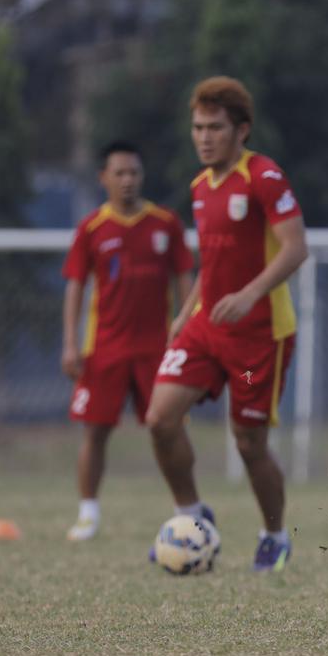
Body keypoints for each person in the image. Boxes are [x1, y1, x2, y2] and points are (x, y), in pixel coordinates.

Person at [145, 76, 308, 573]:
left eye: (215, 127)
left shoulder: (264, 177)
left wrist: (250, 294)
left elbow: (296, 247)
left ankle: (275, 535)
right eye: (197, 127)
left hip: (260, 337)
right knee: (160, 420)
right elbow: (213, 264)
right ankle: (192, 516)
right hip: (206, 327)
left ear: (241, 129)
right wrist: (186, 310)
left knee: (248, 443)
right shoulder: (200, 187)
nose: (204, 137)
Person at [60, 140, 193, 541]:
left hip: (158, 350)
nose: (127, 180)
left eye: (134, 172)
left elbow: (185, 281)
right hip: (105, 349)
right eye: (119, 173)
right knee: (95, 432)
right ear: (104, 178)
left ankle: (187, 510)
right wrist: (69, 343)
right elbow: (75, 287)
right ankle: (88, 513)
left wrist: (187, 334)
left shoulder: (165, 223)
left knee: (168, 429)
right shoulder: (92, 229)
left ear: (142, 176)